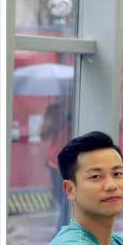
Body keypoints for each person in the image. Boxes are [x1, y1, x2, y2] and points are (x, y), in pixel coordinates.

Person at [41, 99, 72, 231]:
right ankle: (61, 228)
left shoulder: (68, 127)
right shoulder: (55, 127)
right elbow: (43, 135)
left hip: (60, 164)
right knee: (61, 198)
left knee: (64, 199)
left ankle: (61, 228)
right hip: (55, 164)